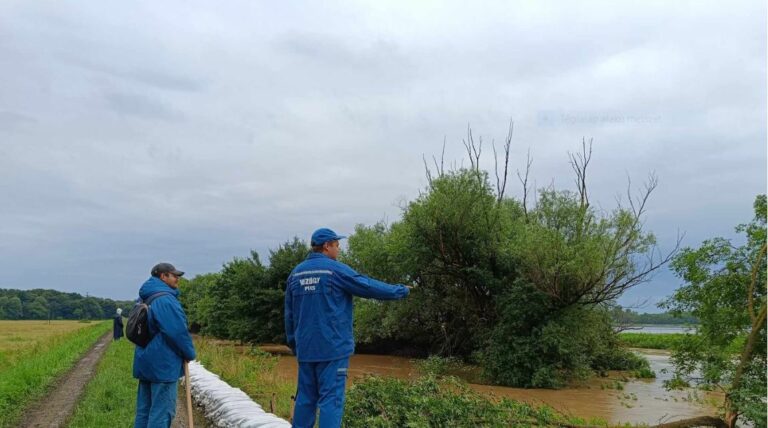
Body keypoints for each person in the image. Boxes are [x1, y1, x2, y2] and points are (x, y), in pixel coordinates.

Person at [285, 228, 410, 428]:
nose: (339, 250)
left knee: (305, 400)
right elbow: (367, 286)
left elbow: (289, 315)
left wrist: (295, 345)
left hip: (306, 349)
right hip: (332, 349)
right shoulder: (335, 270)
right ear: (327, 246)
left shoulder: (296, 274)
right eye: (337, 245)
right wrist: (400, 290)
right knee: (331, 401)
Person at [132, 262, 196, 428]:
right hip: (163, 364)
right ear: (163, 276)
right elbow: (177, 332)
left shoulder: (143, 297)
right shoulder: (166, 300)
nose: (177, 279)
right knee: (162, 412)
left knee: (144, 411)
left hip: (144, 360)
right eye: (174, 275)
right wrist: (189, 353)